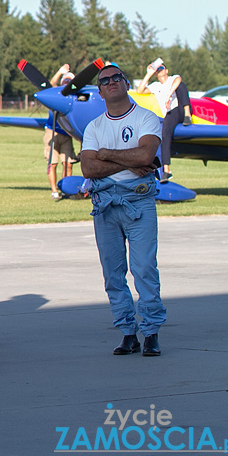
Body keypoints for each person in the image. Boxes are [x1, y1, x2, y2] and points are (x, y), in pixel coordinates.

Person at [80, 63, 166, 357]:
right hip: (104, 204)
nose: (112, 82)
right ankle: (128, 332)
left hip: (139, 201)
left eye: (117, 77)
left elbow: (146, 154)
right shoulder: (94, 127)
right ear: (100, 91)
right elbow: (88, 167)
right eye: (105, 80)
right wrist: (128, 162)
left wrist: (106, 154)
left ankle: (151, 331)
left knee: (143, 268)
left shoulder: (147, 118)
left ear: (126, 83)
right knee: (113, 274)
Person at [136, 60, 188, 182]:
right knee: (164, 135)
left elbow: (178, 80)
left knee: (181, 85)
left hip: (178, 108)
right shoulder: (155, 86)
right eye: (157, 69)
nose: (160, 70)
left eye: (162, 68)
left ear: (167, 71)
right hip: (169, 113)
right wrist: (148, 74)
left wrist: (169, 95)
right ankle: (166, 170)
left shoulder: (172, 79)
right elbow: (140, 90)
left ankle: (187, 114)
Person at [45, 65, 78, 199]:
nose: (67, 83)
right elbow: (50, 84)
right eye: (65, 80)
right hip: (52, 131)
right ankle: (54, 191)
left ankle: (66, 189)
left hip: (66, 133)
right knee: (52, 163)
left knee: (68, 163)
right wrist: (60, 72)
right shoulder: (54, 93)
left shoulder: (74, 97)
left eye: (70, 81)